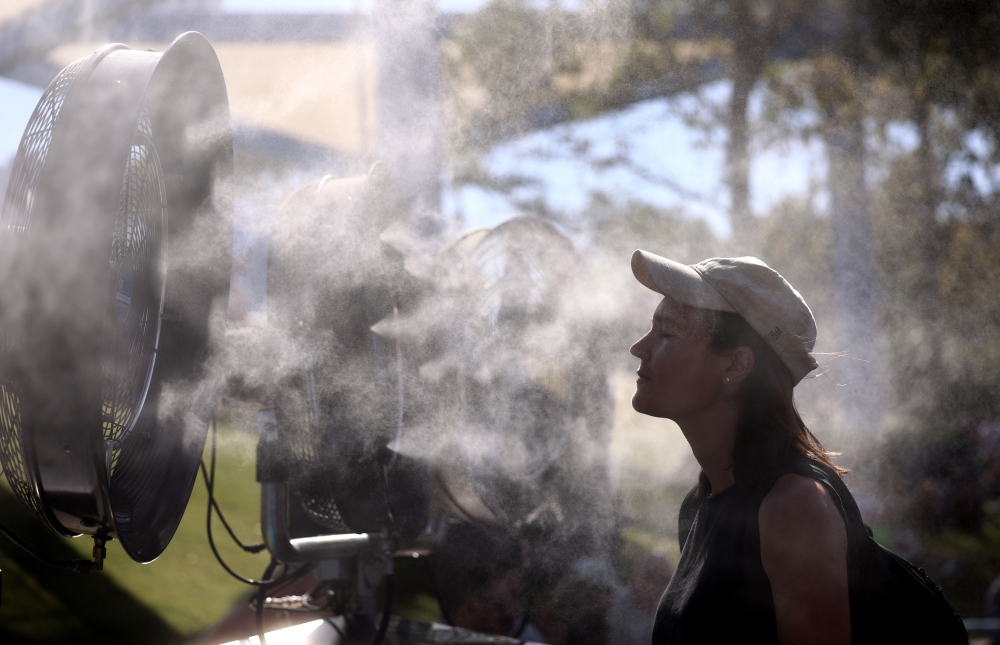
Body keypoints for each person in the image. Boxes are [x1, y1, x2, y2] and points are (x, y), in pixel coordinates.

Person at [628, 251, 852, 645]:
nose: (638, 348)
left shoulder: (794, 508)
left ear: (735, 366)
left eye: (666, 333)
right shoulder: (701, 504)